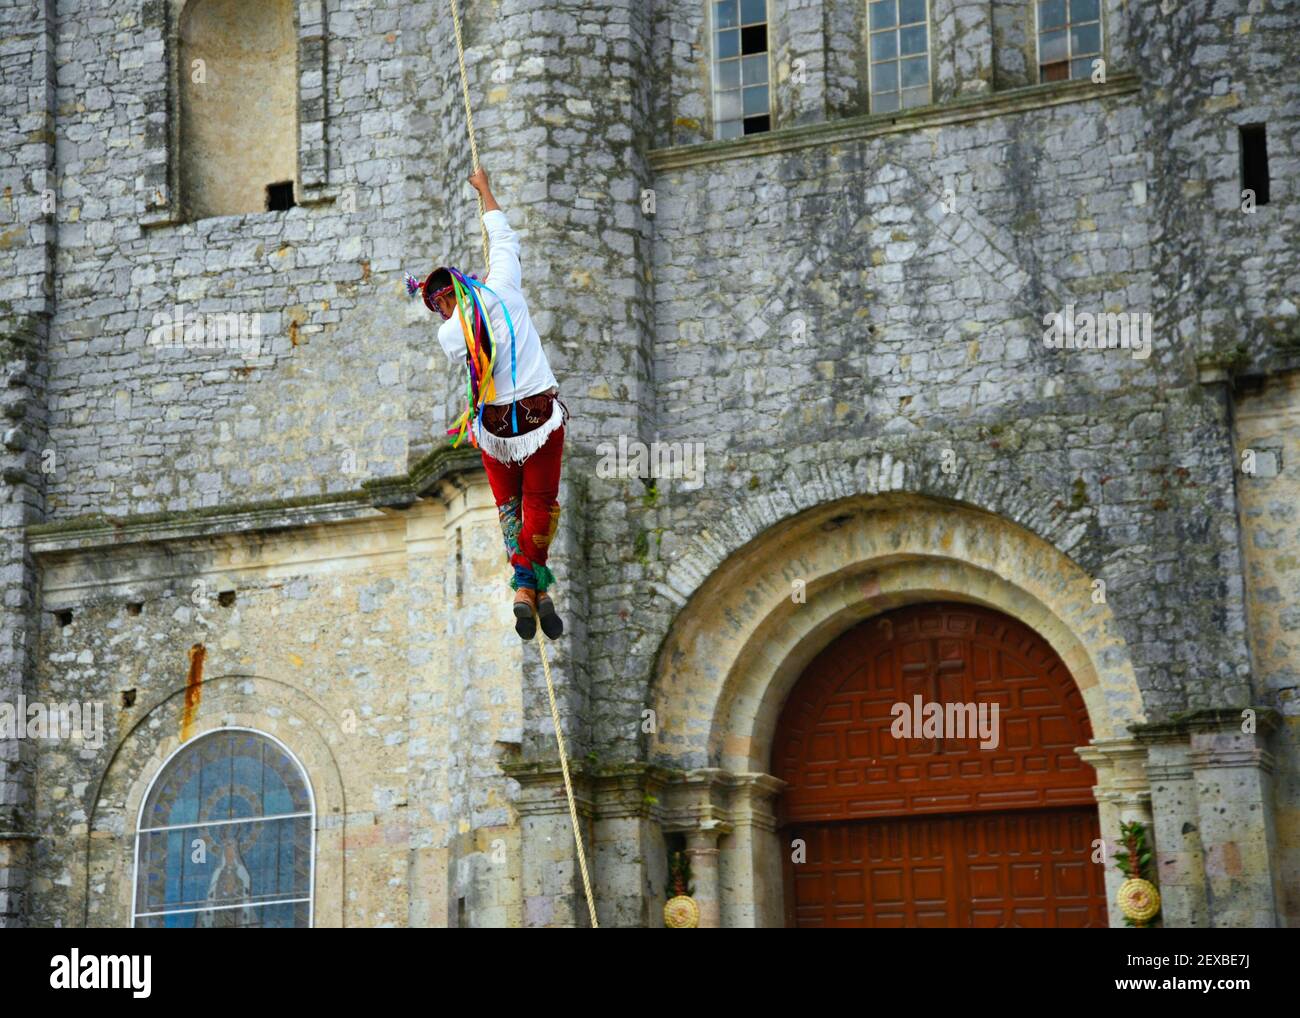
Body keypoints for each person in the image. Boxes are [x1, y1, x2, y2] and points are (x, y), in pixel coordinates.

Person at [407, 168, 566, 641]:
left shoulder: (448, 333)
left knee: (508, 507)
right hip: (539, 418)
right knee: (540, 502)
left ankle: (527, 588)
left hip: (496, 429)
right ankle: (528, 585)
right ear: (464, 283)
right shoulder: (504, 287)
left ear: (440, 305)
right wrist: (485, 189)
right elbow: (504, 237)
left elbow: (466, 342)